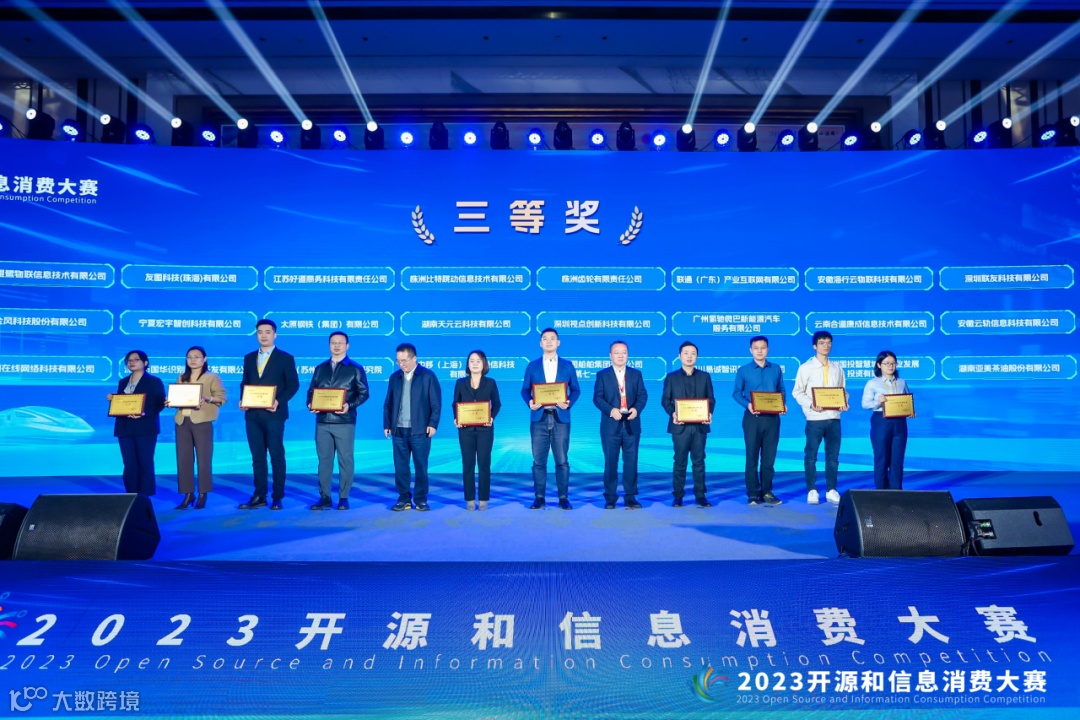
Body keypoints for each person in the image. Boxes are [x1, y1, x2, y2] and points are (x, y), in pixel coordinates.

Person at [238, 319, 299, 511]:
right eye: (260, 332)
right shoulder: (249, 358)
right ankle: (259, 495)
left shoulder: (285, 358)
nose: (263, 335)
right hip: (252, 415)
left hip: (274, 414)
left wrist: (278, 401)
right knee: (257, 457)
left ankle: (278, 496)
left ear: (275, 335)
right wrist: (243, 400)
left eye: (267, 332)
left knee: (276, 456)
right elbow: (245, 383)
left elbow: (293, 385)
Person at [307, 332, 369, 510]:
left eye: (340, 343)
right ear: (329, 345)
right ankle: (325, 497)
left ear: (347, 346)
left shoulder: (355, 368)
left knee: (345, 460)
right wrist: (310, 404)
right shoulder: (320, 368)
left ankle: (343, 497)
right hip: (322, 421)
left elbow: (364, 393)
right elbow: (311, 391)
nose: (336, 345)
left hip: (344, 421)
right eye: (333, 342)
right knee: (324, 461)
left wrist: (350, 405)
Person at [521, 328, 581, 510]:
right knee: (539, 462)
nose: (549, 341)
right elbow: (525, 390)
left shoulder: (567, 365)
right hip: (538, 418)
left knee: (562, 461)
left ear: (558, 343)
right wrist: (530, 402)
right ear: (540, 343)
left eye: (552, 338)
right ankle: (539, 498)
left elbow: (576, 390)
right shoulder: (532, 366)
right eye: (545, 339)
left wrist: (568, 403)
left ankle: (563, 498)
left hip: (560, 418)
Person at [792, 330, 848, 505]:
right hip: (815, 419)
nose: (826, 346)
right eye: (822, 343)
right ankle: (812, 490)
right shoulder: (805, 368)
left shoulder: (837, 368)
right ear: (814, 346)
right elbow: (797, 392)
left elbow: (842, 391)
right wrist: (811, 404)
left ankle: (831, 490)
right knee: (811, 456)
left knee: (833, 457)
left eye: (829, 343)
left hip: (834, 418)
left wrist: (844, 402)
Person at [383, 343, 441, 511]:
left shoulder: (428, 376)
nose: (401, 364)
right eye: (398, 361)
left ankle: (421, 499)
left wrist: (433, 424)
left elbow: (436, 403)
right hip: (398, 430)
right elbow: (388, 403)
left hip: (420, 430)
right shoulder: (395, 378)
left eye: (404, 360)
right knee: (400, 467)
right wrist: (387, 424)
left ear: (414, 358)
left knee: (420, 466)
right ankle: (403, 498)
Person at [169, 346, 226, 510]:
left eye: (196, 356)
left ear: (204, 359)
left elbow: (222, 398)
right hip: (182, 421)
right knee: (183, 460)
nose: (192, 360)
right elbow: (179, 398)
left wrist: (207, 398)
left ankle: (203, 493)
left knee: (203, 459)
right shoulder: (181, 377)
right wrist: (170, 402)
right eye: (189, 357)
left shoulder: (212, 377)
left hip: (202, 421)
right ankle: (188, 494)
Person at [732, 335, 786, 506]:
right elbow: (736, 393)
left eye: (763, 347)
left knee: (769, 459)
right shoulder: (743, 370)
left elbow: (781, 390)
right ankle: (753, 493)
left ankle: (767, 492)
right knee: (752, 457)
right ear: (751, 350)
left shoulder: (776, 369)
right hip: (752, 419)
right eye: (756, 348)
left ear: (767, 349)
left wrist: (782, 404)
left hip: (772, 419)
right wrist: (748, 405)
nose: (760, 351)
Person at [593, 340, 647, 509]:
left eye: (624, 352)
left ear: (628, 355)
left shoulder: (636, 374)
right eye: (617, 352)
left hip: (631, 424)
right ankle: (610, 497)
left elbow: (642, 396)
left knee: (631, 461)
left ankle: (630, 496)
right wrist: (611, 410)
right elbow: (597, 398)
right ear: (610, 355)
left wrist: (636, 410)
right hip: (611, 425)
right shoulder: (602, 375)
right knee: (611, 461)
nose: (620, 355)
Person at [660, 341, 715, 507]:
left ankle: (700, 496)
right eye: (686, 353)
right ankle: (678, 496)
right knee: (680, 462)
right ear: (679, 356)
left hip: (699, 426)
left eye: (693, 353)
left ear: (697, 356)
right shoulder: (671, 377)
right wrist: (673, 413)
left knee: (699, 462)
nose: (689, 356)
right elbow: (665, 400)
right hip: (680, 427)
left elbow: (711, 399)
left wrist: (709, 412)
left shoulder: (705, 377)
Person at [108, 350, 166, 495]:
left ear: (145, 363)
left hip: (145, 427)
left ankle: (145, 495)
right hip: (124, 428)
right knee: (129, 464)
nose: (131, 362)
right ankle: (131, 494)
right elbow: (123, 404)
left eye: (136, 359)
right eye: (129, 360)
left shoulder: (154, 381)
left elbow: (159, 404)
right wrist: (114, 400)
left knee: (145, 462)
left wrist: (144, 413)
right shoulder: (123, 382)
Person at [453, 350, 502, 510]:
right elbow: (455, 403)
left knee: (484, 463)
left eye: (478, 361)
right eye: (472, 361)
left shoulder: (491, 383)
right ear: (467, 364)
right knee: (467, 464)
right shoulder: (460, 383)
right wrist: (456, 418)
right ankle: (469, 499)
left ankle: (483, 499)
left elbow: (497, 403)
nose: (475, 364)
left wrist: (491, 417)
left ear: (484, 364)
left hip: (485, 430)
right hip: (465, 430)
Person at [861, 350, 911, 490]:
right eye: (887, 363)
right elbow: (865, 404)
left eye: (893, 363)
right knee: (881, 457)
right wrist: (878, 402)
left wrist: (910, 411)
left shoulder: (901, 382)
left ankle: (896, 491)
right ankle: (882, 491)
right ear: (879, 365)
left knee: (897, 459)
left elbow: (906, 399)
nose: (890, 366)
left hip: (899, 421)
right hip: (881, 421)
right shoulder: (872, 383)